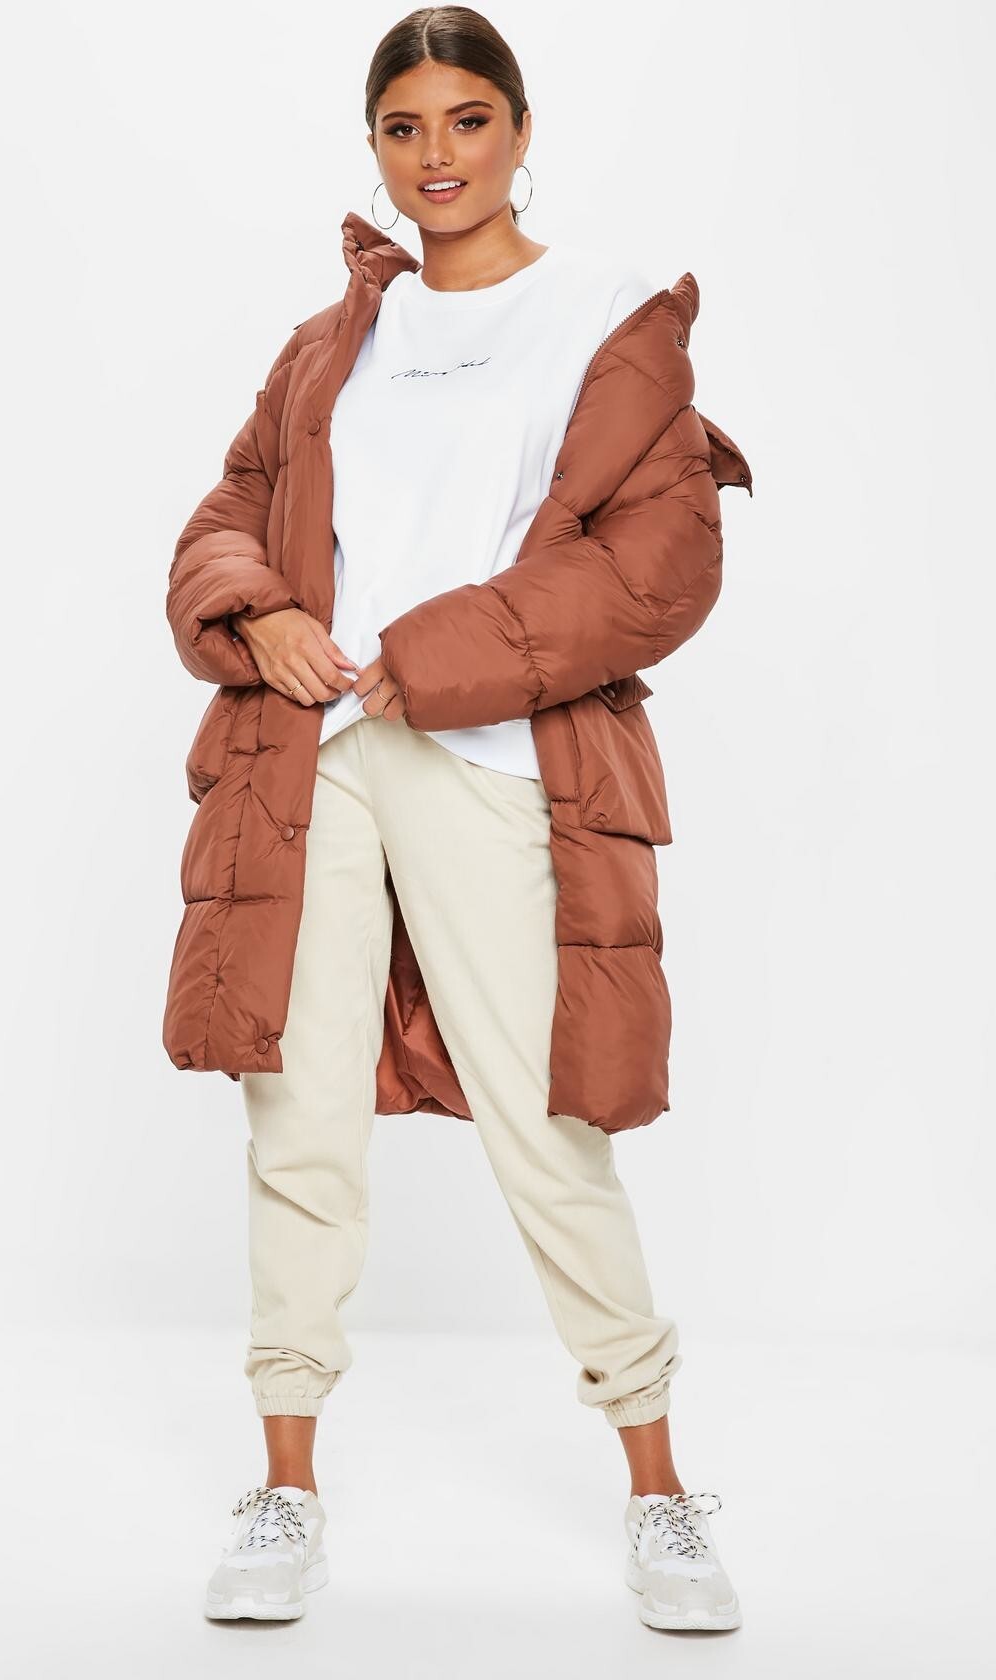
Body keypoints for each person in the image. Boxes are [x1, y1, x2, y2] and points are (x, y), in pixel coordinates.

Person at [172, 6, 752, 1633]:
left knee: (547, 1129)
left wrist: (428, 656)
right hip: (314, 758)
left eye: (469, 119)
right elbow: (227, 511)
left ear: (520, 130)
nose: (438, 156)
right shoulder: (330, 341)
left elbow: (659, 567)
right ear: (375, 145)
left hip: (492, 761)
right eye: (405, 127)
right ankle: (285, 1490)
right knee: (297, 1122)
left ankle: (660, 1492)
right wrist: (262, 615)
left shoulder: (603, 316)